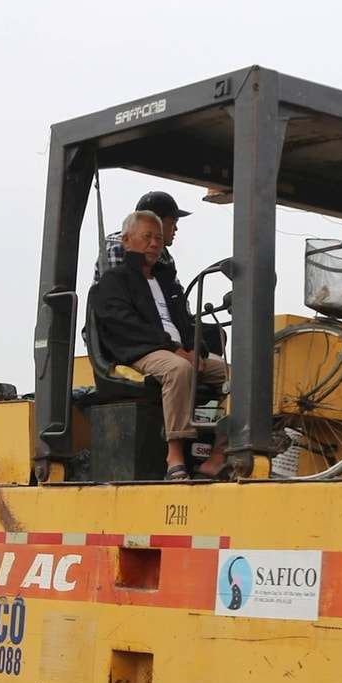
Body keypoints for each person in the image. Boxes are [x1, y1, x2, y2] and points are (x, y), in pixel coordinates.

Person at [91, 210, 230, 480]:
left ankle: (219, 454)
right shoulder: (114, 281)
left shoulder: (167, 280)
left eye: (158, 237)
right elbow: (128, 326)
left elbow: (186, 322)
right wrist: (176, 351)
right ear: (127, 240)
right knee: (179, 369)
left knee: (239, 375)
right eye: (147, 237)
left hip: (177, 351)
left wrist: (197, 350)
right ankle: (174, 454)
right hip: (141, 351)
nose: (155, 243)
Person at [95, 190, 189, 280]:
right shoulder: (118, 247)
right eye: (173, 223)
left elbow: (174, 292)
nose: (176, 229)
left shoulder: (165, 257)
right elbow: (117, 290)